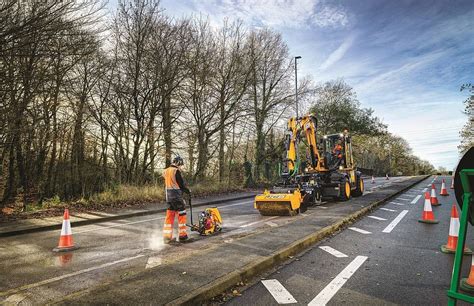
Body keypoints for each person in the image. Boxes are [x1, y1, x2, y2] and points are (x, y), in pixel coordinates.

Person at [162, 156, 191, 244]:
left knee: (169, 216)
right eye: (180, 164)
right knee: (182, 215)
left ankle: (167, 237)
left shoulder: (166, 171)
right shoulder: (176, 171)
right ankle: (183, 236)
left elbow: (169, 183)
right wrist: (188, 191)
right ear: (178, 163)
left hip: (169, 197)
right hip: (177, 197)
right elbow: (181, 184)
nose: (180, 167)